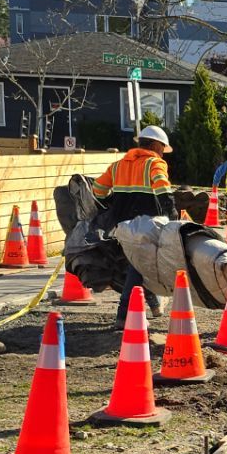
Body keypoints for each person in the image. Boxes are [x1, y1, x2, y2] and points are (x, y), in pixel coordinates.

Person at [91, 124, 178, 323]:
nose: (163, 154)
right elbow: (163, 189)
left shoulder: (118, 165)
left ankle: (154, 304)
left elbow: (98, 190)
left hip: (121, 227)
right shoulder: (154, 164)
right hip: (145, 226)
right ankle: (123, 314)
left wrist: (112, 202)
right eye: (162, 149)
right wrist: (172, 214)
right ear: (156, 145)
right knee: (139, 268)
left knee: (139, 265)